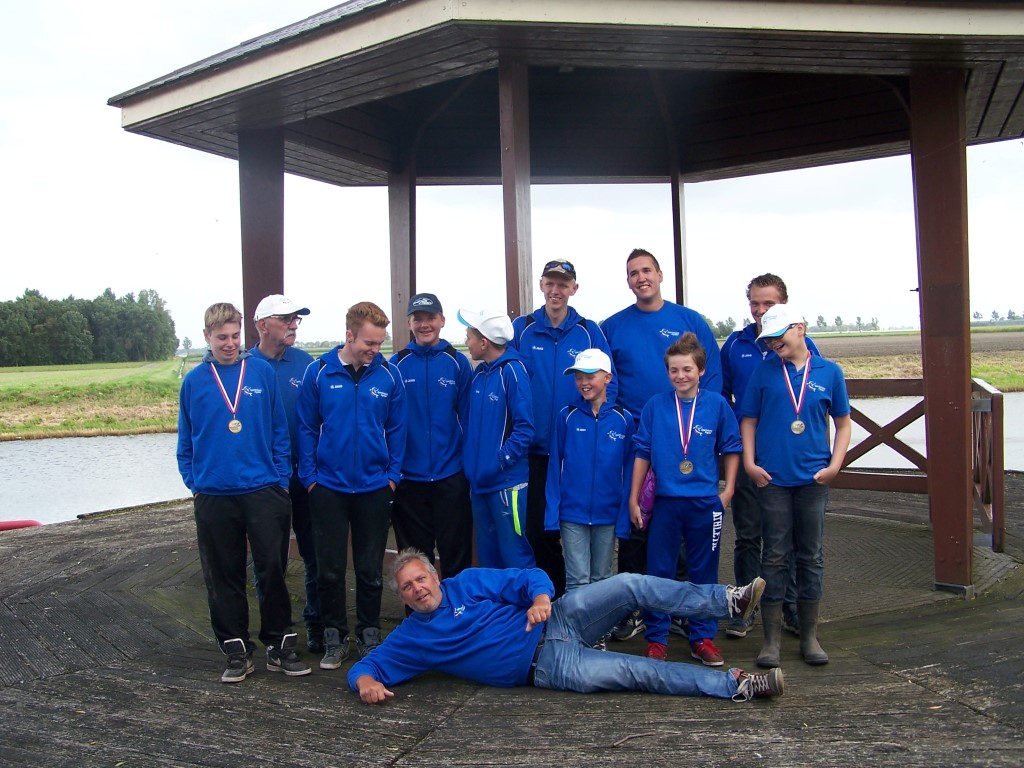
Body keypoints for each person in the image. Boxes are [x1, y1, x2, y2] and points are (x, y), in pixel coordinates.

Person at [347, 549, 782, 703]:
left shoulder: (468, 583)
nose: (418, 589)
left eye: (421, 579)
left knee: (629, 583)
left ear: (435, 576)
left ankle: (729, 601)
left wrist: (540, 600)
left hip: (560, 616)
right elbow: (367, 667)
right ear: (404, 598)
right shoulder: (413, 637)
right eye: (408, 588)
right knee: (638, 672)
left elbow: (529, 578)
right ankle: (737, 685)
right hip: (549, 665)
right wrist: (365, 683)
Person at [177, 302, 310, 683]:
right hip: (214, 494)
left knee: (272, 569)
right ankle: (236, 650)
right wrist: (195, 482)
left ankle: (279, 644)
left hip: (263, 489)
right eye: (222, 337)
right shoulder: (195, 382)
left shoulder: (261, 372)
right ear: (207, 337)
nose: (230, 344)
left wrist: (280, 481)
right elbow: (186, 440)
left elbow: (279, 430)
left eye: (235, 336)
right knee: (224, 574)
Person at [601, 248, 722, 640]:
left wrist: (701, 427)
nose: (641, 278)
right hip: (635, 441)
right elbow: (607, 380)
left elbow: (712, 378)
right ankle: (633, 606)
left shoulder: (689, 320)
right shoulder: (613, 326)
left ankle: (682, 608)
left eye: (646, 270)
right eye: (633, 273)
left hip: (681, 443)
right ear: (628, 281)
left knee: (683, 522)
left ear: (660, 274)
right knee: (636, 521)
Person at [739, 304, 851, 668]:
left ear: (799, 328)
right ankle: (770, 640)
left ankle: (809, 635)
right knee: (773, 555)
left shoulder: (830, 372)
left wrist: (835, 465)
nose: (773, 343)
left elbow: (843, 423)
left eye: (779, 335)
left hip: (813, 480)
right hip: (772, 479)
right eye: (768, 339)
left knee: (811, 556)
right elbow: (748, 420)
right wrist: (750, 463)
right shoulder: (763, 372)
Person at [297, 301, 407, 669]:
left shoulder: (388, 376)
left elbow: (397, 430)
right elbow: (307, 428)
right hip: (328, 486)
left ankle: (369, 636)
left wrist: (392, 477)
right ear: (349, 335)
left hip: (374, 487)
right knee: (329, 568)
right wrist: (310, 478)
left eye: (379, 343)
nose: (375, 350)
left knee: (369, 569)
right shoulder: (319, 373)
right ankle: (334, 637)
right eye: (369, 343)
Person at [629, 333, 742, 666]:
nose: (681, 376)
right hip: (666, 502)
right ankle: (657, 639)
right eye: (674, 370)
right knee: (659, 572)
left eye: (687, 369)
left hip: (704, 503)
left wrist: (728, 491)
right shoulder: (656, 405)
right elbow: (642, 452)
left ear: (701, 370)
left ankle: (702, 637)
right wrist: (634, 498)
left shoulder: (716, 405)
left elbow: (732, 448)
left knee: (703, 571)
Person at [721, 274, 820, 638]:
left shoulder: (806, 344)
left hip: (787, 457)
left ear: (785, 305)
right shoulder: (735, 344)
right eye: (755, 303)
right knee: (749, 535)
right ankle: (744, 607)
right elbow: (722, 395)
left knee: (787, 538)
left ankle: (789, 607)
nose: (760, 310)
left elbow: (818, 400)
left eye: (769, 304)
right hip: (748, 455)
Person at [512, 260, 616, 596]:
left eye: (563, 284)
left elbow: (609, 384)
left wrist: (594, 432)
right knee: (536, 530)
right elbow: (508, 378)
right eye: (550, 283)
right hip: (532, 452)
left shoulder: (588, 331)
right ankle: (551, 598)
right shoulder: (522, 328)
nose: (556, 291)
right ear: (541, 285)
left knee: (576, 528)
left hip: (575, 453)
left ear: (574, 288)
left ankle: (585, 601)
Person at [249, 294, 323, 653]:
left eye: (296, 319)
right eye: (286, 319)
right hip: (266, 480)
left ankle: (317, 624)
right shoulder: (245, 367)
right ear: (263, 325)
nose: (294, 325)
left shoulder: (306, 364)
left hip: (305, 476)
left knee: (315, 553)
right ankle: (277, 633)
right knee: (270, 559)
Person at [389, 293, 474, 579]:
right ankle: (418, 609)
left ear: (442, 321)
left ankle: (456, 606)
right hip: (409, 480)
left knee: (456, 557)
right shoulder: (396, 365)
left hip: (451, 475)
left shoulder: (458, 362)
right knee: (414, 561)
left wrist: (465, 467)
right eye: (418, 319)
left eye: (430, 318)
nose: (424, 324)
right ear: (409, 323)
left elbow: (468, 418)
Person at [545, 348, 634, 597]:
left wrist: (623, 518)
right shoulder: (566, 417)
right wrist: (552, 515)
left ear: (607, 377)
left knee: (602, 579)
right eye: (578, 377)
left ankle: (600, 624)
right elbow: (554, 468)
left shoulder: (624, 419)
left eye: (590, 376)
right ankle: (576, 624)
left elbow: (629, 472)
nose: (583, 382)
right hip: (572, 514)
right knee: (577, 581)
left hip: (608, 514)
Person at [457, 308, 536, 569]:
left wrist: (498, 462)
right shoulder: (480, 374)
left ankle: (526, 597)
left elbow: (525, 429)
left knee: (514, 556)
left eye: (469, 337)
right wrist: (472, 466)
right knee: (488, 558)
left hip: (506, 485)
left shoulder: (513, 371)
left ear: (484, 342)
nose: (466, 342)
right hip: (479, 484)